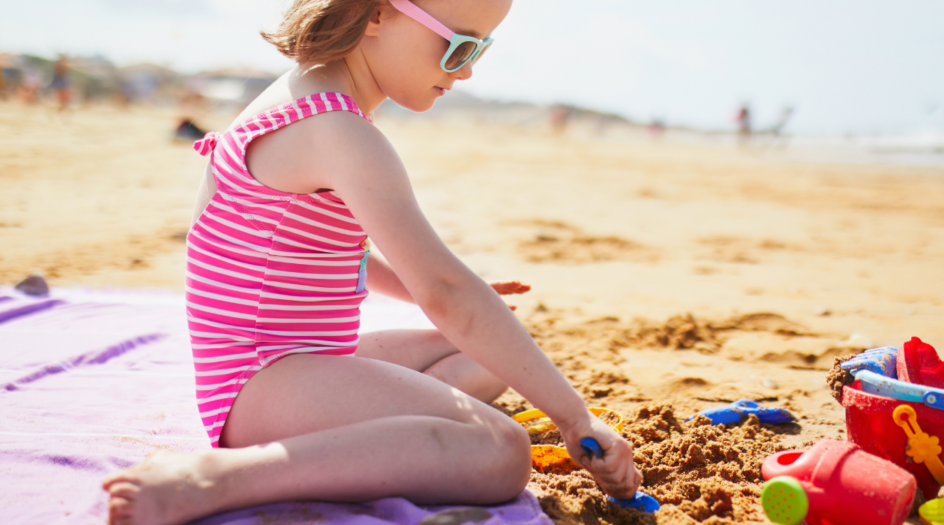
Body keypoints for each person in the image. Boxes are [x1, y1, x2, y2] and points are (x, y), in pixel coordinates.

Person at [100, 1, 642, 523]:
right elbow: (446, 293)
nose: (469, 70)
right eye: (458, 46)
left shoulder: (306, 97)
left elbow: (330, 251)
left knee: (492, 353)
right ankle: (222, 477)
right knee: (501, 452)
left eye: (482, 49)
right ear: (379, 12)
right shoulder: (340, 133)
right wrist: (575, 418)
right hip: (259, 380)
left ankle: (376, 434)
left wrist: (444, 290)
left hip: (287, 359)